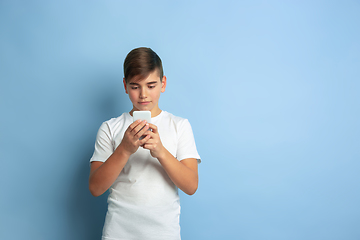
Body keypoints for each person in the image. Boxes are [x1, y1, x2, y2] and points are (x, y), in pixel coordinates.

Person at [89, 47, 201, 240]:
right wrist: (124, 149)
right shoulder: (110, 128)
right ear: (125, 86)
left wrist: (161, 152)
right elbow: (95, 188)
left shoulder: (179, 126)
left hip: (164, 234)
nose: (143, 95)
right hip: (118, 233)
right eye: (135, 86)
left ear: (163, 83)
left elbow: (191, 186)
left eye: (151, 85)